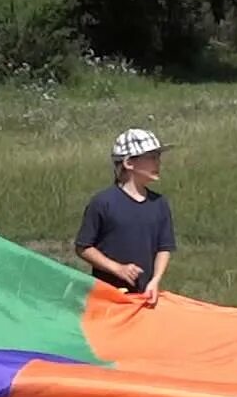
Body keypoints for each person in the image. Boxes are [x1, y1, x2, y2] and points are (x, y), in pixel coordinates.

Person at [75, 128, 176, 307]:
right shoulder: (103, 202)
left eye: (158, 157)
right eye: (152, 157)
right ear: (129, 163)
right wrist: (117, 268)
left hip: (146, 297)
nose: (158, 163)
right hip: (108, 298)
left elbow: (164, 247)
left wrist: (155, 280)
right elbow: (83, 247)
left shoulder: (159, 203)